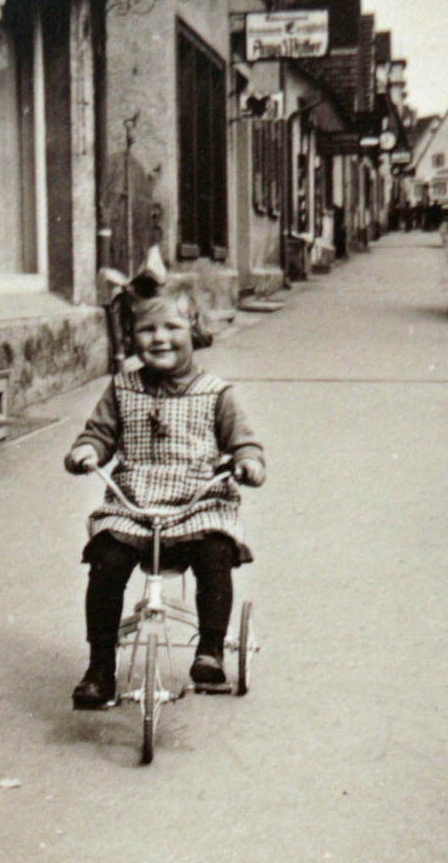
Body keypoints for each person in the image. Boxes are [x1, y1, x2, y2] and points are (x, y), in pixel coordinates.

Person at [64, 261, 266, 709]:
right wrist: (87, 452)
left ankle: (210, 651)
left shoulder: (216, 393)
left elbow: (244, 442)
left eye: (172, 326)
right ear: (130, 336)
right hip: (133, 503)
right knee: (106, 558)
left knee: (216, 551)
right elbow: (98, 433)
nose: (159, 338)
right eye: (146, 329)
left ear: (194, 329)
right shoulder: (121, 389)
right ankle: (100, 665)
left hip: (197, 502)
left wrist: (249, 462)